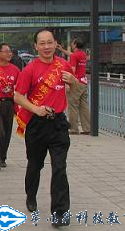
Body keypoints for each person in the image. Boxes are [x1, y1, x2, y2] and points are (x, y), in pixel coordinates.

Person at [14, 29, 77, 227]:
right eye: (42, 43)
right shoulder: (29, 70)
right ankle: (30, 195)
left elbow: (71, 87)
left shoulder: (64, 65)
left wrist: (74, 82)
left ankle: (60, 213)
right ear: (36, 46)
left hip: (58, 123)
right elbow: (18, 96)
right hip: (37, 124)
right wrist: (36, 109)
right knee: (35, 165)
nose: (46, 47)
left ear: (55, 44)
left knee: (60, 168)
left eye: (50, 42)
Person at [0, 43, 20, 172]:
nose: (9, 53)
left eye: (10, 51)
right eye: (6, 51)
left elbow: (20, 86)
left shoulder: (15, 70)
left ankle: (3, 157)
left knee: (7, 132)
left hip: (9, 103)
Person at [58, 39, 91, 135]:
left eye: (72, 43)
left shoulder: (74, 56)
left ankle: (74, 128)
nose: (71, 45)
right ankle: (87, 128)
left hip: (75, 83)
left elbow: (72, 70)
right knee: (84, 106)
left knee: (73, 106)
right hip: (84, 82)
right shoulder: (83, 54)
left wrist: (67, 83)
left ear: (75, 44)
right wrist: (63, 50)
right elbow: (72, 55)